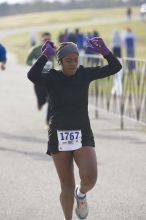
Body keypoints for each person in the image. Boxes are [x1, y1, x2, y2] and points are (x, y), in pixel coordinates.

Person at [27, 37, 122, 220]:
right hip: (59, 134)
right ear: (60, 61)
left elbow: (115, 67)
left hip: (82, 132)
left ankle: (82, 194)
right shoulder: (52, 77)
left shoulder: (84, 74)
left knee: (90, 177)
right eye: (68, 60)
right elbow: (32, 76)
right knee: (66, 187)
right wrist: (44, 56)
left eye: (76, 59)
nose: (73, 64)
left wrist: (105, 52)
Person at [26, 32, 54, 127]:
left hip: (50, 77)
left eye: (49, 39)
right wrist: (33, 63)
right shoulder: (35, 49)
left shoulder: (54, 48)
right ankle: (40, 102)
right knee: (41, 98)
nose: (47, 41)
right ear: (41, 40)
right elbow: (28, 60)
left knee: (51, 99)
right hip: (38, 77)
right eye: (45, 40)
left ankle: (48, 121)